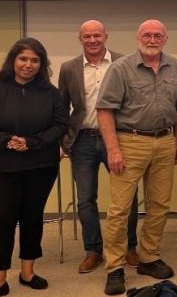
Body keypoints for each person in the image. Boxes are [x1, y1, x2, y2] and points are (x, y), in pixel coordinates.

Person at [0, 38, 68, 297]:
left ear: (41, 64)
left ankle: (27, 272)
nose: (28, 65)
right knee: (2, 220)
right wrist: (6, 140)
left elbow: (61, 125)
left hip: (41, 165)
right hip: (4, 166)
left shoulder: (51, 93)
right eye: (23, 59)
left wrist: (31, 143)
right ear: (13, 61)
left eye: (35, 60)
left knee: (32, 218)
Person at [96, 20, 177, 295]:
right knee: (120, 209)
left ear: (165, 39)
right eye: (147, 35)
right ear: (138, 37)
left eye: (158, 35)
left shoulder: (176, 67)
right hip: (129, 142)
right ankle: (114, 267)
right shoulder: (120, 68)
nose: (152, 39)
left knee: (159, 204)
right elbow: (104, 110)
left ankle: (148, 257)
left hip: (165, 141)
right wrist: (113, 149)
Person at [58, 20, 139, 274]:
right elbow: (62, 107)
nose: (92, 40)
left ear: (106, 36)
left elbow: (133, 102)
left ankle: (129, 247)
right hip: (82, 140)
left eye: (97, 35)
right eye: (87, 36)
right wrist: (63, 141)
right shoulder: (68, 68)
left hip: (117, 139)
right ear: (80, 39)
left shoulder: (123, 62)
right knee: (85, 199)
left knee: (127, 196)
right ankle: (93, 250)